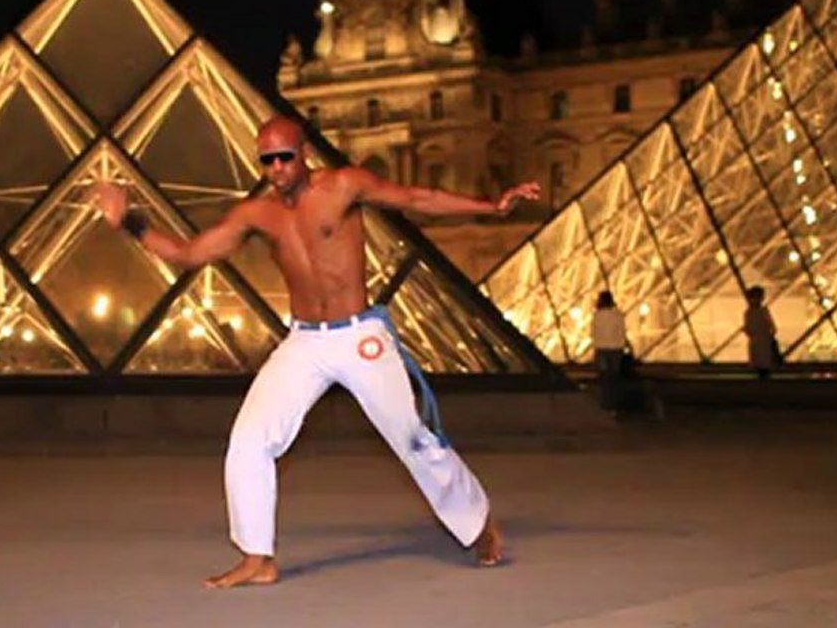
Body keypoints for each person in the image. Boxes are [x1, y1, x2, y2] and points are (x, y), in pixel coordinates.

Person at [94, 114, 541, 588]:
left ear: (303, 153)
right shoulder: (257, 214)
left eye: (285, 157)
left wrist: (491, 206)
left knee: (412, 437)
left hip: (358, 334)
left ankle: (477, 522)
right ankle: (257, 557)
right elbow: (189, 254)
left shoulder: (343, 186)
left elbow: (418, 198)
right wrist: (130, 221)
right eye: (267, 160)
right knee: (249, 438)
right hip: (305, 340)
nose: (277, 168)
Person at [591, 290, 627, 412]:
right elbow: (622, 332)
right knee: (614, 378)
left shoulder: (597, 315)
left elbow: (593, 333)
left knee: (604, 378)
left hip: (601, 349)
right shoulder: (618, 315)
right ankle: (614, 405)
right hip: (616, 350)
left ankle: (605, 403)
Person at [744, 285, 779, 379]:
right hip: (762, 338)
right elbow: (771, 324)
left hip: (759, 338)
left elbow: (748, 326)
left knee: (760, 358)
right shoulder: (761, 311)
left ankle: (762, 373)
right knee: (762, 358)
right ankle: (764, 373)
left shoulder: (749, 312)